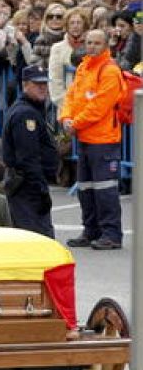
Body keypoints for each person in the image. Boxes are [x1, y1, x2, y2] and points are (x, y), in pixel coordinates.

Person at [60, 30, 125, 250]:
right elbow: (71, 96)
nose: (92, 46)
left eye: (97, 43)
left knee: (105, 189)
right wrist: (66, 117)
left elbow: (99, 107)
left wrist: (73, 123)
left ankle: (111, 234)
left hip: (104, 139)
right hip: (85, 138)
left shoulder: (110, 71)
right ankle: (91, 230)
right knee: (86, 188)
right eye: (89, 42)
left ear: (106, 45)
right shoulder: (83, 67)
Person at [2, 64, 59, 238]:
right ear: (25, 85)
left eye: (44, 84)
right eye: (37, 84)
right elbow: (28, 158)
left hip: (27, 185)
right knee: (38, 239)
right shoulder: (25, 115)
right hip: (27, 188)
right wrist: (40, 190)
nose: (43, 88)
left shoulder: (32, 109)